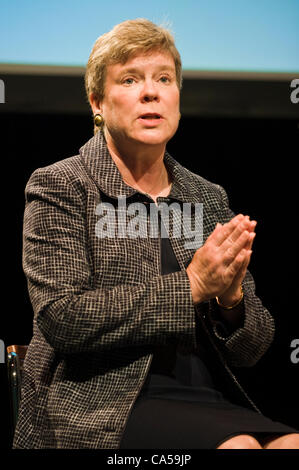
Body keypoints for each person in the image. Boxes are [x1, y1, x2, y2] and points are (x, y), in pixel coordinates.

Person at [14, 18, 299, 449]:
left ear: (178, 98)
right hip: (101, 404)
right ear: (97, 102)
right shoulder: (62, 186)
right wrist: (191, 285)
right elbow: (63, 317)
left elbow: (252, 350)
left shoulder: (206, 196)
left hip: (206, 397)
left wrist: (231, 299)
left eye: (164, 79)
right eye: (130, 79)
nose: (151, 92)